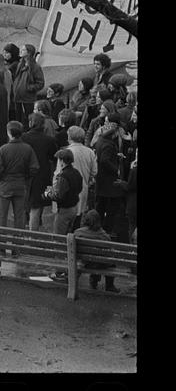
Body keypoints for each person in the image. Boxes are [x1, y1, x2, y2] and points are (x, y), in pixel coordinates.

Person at [0, 121, 39, 229]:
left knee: (2, 216)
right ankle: (18, 242)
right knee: (20, 216)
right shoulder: (27, 148)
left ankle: (0, 242)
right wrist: (26, 177)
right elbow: (34, 167)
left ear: (9, 133)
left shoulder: (3, 149)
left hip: (5, 184)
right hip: (20, 184)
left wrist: (0, 178)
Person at [22, 112, 58, 231]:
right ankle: (39, 233)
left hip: (28, 175)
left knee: (33, 206)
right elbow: (54, 157)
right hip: (44, 175)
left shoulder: (24, 138)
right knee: (41, 205)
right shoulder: (49, 140)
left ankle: (33, 235)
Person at [92, 112, 125, 240]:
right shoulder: (108, 144)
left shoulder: (101, 140)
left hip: (101, 181)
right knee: (111, 206)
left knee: (100, 204)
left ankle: (97, 228)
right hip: (109, 182)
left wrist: (116, 156)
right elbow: (104, 160)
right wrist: (116, 169)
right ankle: (106, 229)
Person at [74, 210, 119, 292]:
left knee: (95, 258)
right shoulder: (104, 236)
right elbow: (110, 252)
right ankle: (109, 286)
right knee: (110, 262)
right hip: (100, 263)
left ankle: (94, 281)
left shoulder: (78, 232)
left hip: (85, 262)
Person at [49, 148, 83, 235]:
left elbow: (59, 196)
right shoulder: (76, 172)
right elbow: (80, 189)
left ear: (62, 161)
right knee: (69, 234)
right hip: (74, 208)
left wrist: (48, 194)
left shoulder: (63, 176)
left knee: (59, 237)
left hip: (64, 210)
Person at [11, 44, 45, 129]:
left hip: (27, 99)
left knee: (27, 121)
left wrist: (28, 88)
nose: (21, 51)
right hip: (18, 98)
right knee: (18, 121)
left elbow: (40, 83)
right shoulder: (20, 64)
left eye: (23, 50)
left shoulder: (35, 67)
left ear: (29, 52)